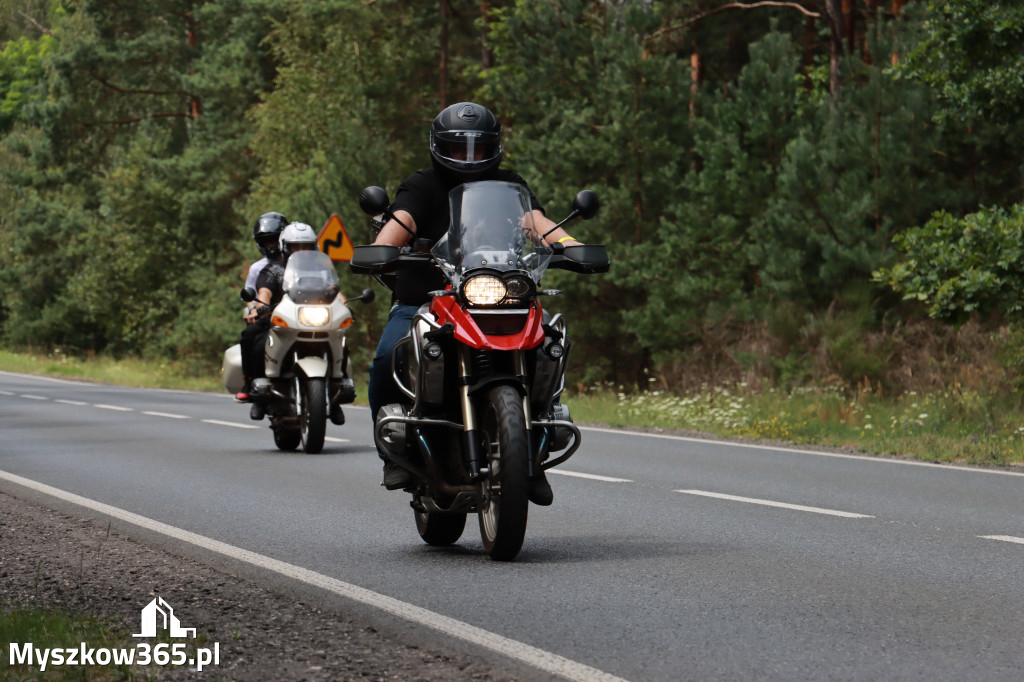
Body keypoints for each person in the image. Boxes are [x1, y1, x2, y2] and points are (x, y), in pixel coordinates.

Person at [368, 101, 581, 502]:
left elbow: (535, 220)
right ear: (437, 146)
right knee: (385, 359)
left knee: (550, 345)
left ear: (494, 148)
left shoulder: (508, 186)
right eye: (459, 147)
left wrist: (571, 245)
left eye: (479, 149)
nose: (469, 157)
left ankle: (534, 444)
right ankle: (394, 454)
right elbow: (403, 221)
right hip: (426, 301)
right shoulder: (421, 185)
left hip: (501, 298)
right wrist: (383, 248)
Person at [244, 222, 320, 420]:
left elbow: (336, 292)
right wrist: (260, 306)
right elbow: (264, 293)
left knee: (341, 339)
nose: (301, 251)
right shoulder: (272, 270)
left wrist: (345, 305)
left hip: (313, 320)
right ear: (286, 247)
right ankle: (258, 392)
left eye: (306, 247)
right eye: (296, 246)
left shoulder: (319, 269)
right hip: (280, 320)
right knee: (255, 338)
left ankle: (339, 385)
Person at [237, 212, 289, 406]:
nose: (270, 246)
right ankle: (251, 383)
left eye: (273, 240)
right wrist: (253, 310)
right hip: (270, 317)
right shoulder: (258, 268)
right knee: (251, 337)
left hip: (300, 316)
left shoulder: (297, 261)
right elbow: (253, 297)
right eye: (265, 241)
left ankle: (336, 386)